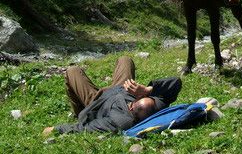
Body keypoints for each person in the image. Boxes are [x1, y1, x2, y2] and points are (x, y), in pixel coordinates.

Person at [42, 56, 182, 135]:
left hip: (97, 100)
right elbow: (175, 82)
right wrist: (147, 91)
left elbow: (84, 128)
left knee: (72, 71)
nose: (133, 101)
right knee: (125, 60)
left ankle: (78, 110)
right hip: (121, 88)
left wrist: (56, 129)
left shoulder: (118, 121)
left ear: (132, 110)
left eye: (132, 104)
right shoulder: (155, 105)